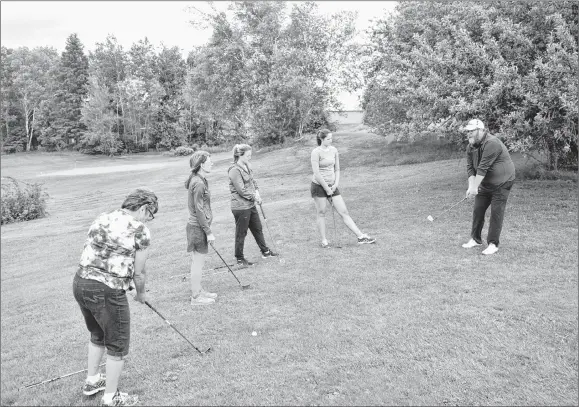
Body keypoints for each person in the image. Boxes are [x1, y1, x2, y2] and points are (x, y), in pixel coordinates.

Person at [73, 188, 158, 406]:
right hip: (106, 291)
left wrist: (122, 278)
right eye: (151, 214)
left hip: (81, 283)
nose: (150, 219)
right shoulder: (140, 230)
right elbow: (139, 272)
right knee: (117, 345)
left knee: (98, 333)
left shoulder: (103, 217)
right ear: (142, 208)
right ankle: (111, 398)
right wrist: (140, 293)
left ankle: (92, 381)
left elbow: (104, 253)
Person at [310, 129, 376, 247]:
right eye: (328, 139)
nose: (331, 140)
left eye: (331, 138)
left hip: (332, 186)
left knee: (344, 211)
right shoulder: (316, 152)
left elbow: (337, 169)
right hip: (319, 186)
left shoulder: (334, 150)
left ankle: (360, 237)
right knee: (321, 212)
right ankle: (324, 241)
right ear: (321, 139)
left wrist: (335, 184)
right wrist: (326, 188)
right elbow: (317, 173)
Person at [461, 118, 515, 255]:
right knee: (478, 209)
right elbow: (470, 169)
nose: (469, 134)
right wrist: (471, 187)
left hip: (503, 182)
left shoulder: (492, 143)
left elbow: (483, 168)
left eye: (471, 131)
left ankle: (493, 244)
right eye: (467, 132)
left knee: (496, 212)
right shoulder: (470, 147)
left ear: (481, 130)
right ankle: (475, 239)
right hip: (486, 184)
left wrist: (475, 187)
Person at [228, 144, 278, 267]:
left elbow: (253, 182)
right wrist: (255, 198)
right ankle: (240, 259)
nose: (250, 157)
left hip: (250, 204)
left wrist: (258, 195)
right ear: (240, 155)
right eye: (248, 155)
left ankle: (265, 251)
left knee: (257, 228)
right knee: (241, 233)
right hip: (240, 207)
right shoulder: (234, 170)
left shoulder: (247, 166)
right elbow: (241, 190)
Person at [185, 150, 218, 305]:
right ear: (201, 164)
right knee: (197, 263)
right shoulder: (198, 183)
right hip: (197, 228)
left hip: (198, 227)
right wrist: (208, 231)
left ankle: (198, 290)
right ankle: (196, 297)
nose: (212, 163)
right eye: (209, 160)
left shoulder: (200, 180)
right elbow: (198, 210)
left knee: (198, 262)